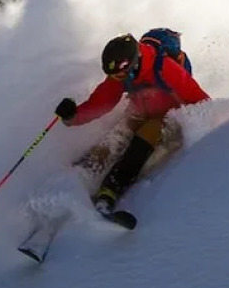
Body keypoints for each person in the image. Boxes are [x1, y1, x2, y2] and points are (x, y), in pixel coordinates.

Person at [55, 31, 209, 216]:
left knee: (147, 133)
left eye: (119, 75)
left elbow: (201, 102)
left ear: (132, 64)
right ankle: (84, 171)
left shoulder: (166, 70)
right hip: (140, 110)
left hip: (169, 118)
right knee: (119, 134)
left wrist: (208, 135)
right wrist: (72, 116)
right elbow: (101, 102)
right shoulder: (121, 74)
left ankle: (112, 187)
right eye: (113, 76)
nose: (116, 79)